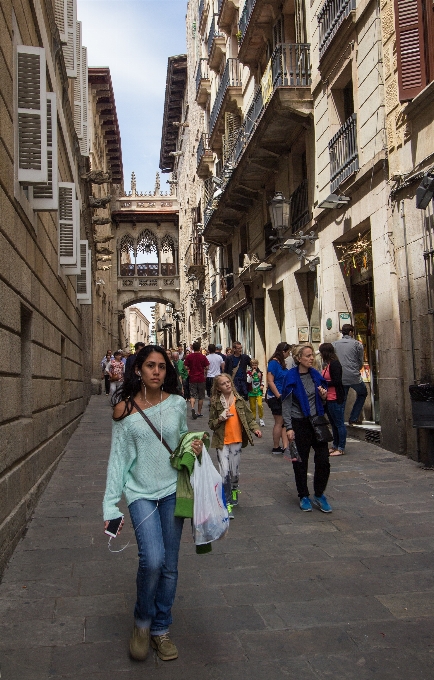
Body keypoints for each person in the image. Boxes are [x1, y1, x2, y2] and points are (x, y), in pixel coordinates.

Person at [103, 345, 203, 662]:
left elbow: (182, 440)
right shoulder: (124, 409)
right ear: (138, 370)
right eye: (150, 365)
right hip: (140, 493)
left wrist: (194, 447)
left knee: (170, 566)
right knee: (153, 560)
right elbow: (118, 460)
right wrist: (110, 507)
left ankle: (161, 628)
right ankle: (142, 623)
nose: (157, 371)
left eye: (161, 366)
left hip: (174, 489)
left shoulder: (176, 404)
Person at [282, 344, 332, 513]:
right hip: (299, 423)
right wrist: (288, 427)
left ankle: (319, 493)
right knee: (300, 462)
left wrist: (323, 397)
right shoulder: (291, 377)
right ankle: (303, 495)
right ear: (298, 359)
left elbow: (323, 401)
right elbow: (286, 405)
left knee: (323, 460)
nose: (312, 358)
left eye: (312, 355)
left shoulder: (316, 375)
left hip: (317, 421)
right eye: (308, 356)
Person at [208, 373, 261, 518]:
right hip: (222, 442)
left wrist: (255, 428)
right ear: (218, 388)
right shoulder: (215, 402)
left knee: (234, 473)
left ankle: (234, 488)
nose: (227, 384)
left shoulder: (239, 401)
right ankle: (227, 503)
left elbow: (249, 418)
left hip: (236, 441)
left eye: (228, 382)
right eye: (223, 383)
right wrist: (220, 418)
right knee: (224, 473)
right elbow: (211, 424)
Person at [333, 324, 367, 425]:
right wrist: (356, 368)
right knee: (363, 393)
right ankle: (353, 417)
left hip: (341, 376)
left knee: (342, 399)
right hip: (354, 376)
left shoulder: (334, 344)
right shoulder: (357, 344)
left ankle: (339, 421)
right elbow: (360, 361)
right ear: (351, 332)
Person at [319, 343, 346, 456]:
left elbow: (337, 381)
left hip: (335, 397)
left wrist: (325, 383)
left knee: (339, 423)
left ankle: (341, 447)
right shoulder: (328, 364)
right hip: (329, 398)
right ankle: (335, 445)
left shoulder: (335, 364)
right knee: (333, 423)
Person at [266, 342, 291, 454]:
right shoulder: (273, 363)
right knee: (279, 422)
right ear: (283, 351)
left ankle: (286, 446)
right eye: (288, 352)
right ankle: (276, 446)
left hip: (282, 395)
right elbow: (270, 381)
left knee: (284, 422)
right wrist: (278, 395)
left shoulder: (281, 363)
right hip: (276, 396)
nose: (289, 354)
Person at [184, 341, 209, 419]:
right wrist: (204, 369)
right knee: (201, 397)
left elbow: (185, 366)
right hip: (201, 378)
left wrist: (189, 368)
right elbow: (207, 366)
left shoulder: (189, 357)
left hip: (192, 378)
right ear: (199, 348)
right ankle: (199, 412)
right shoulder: (203, 357)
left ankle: (192, 408)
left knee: (192, 395)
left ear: (192, 348)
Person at [247, 359, 265, 427]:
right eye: (253, 365)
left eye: (255, 365)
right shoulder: (249, 373)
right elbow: (248, 381)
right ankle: (253, 419)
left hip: (258, 392)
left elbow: (262, 381)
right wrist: (251, 374)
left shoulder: (260, 373)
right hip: (251, 392)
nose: (254, 366)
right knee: (253, 407)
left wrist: (262, 385)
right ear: (251, 366)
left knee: (260, 405)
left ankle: (261, 418)